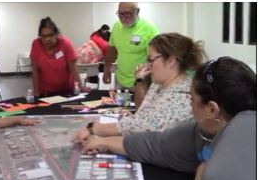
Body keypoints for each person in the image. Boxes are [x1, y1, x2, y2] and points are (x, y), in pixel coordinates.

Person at [80, 57, 256, 180]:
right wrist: (104, 142)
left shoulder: (224, 172)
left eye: (192, 99)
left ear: (211, 109)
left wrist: (205, 177)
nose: (189, 104)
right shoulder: (202, 130)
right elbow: (156, 144)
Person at [73, 32, 205, 142]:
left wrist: (94, 128)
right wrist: (139, 82)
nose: (148, 65)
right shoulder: (158, 83)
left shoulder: (182, 95)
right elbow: (143, 112)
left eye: (151, 59)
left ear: (171, 61)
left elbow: (142, 127)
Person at [103, 2, 160, 89]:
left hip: (142, 81)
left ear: (137, 11)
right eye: (120, 14)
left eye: (128, 13)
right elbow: (112, 49)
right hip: (120, 80)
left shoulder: (150, 28)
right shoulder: (117, 26)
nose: (123, 18)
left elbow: (158, 56)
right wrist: (107, 69)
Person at [30, 17, 91, 97]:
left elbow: (73, 69)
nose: (47, 39)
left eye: (50, 35)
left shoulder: (65, 43)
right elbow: (35, 71)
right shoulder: (36, 44)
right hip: (45, 93)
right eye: (43, 36)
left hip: (66, 92)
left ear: (56, 34)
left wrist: (81, 87)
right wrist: (36, 92)